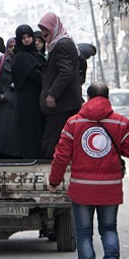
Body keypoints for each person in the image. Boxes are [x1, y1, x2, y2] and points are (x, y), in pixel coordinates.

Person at [48, 82, 129, 259]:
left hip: (81, 189)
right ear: (107, 97)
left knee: (83, 234)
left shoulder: (73, 123)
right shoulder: (120, 123)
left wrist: (54, 181)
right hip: (110, 188)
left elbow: (61, 155)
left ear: (87, 98)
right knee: (108, 229)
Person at [37, 12, 84, 159]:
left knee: (51, 140)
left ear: (54, 27)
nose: (44, 33)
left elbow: (66, 72)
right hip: (67, 103)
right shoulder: (64, 42)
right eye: (42, 29)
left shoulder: (61, 44)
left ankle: (47, 172)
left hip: (61, 105)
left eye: (46, 29)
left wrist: (52, 94)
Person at [11, 24, 46, 159]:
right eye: (23, 37)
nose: (27, 40)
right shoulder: (21, 57)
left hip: (36, 100)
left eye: (29, 37)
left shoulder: (34, 54)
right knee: (30, 131)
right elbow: (37, 76)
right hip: (28, 101)